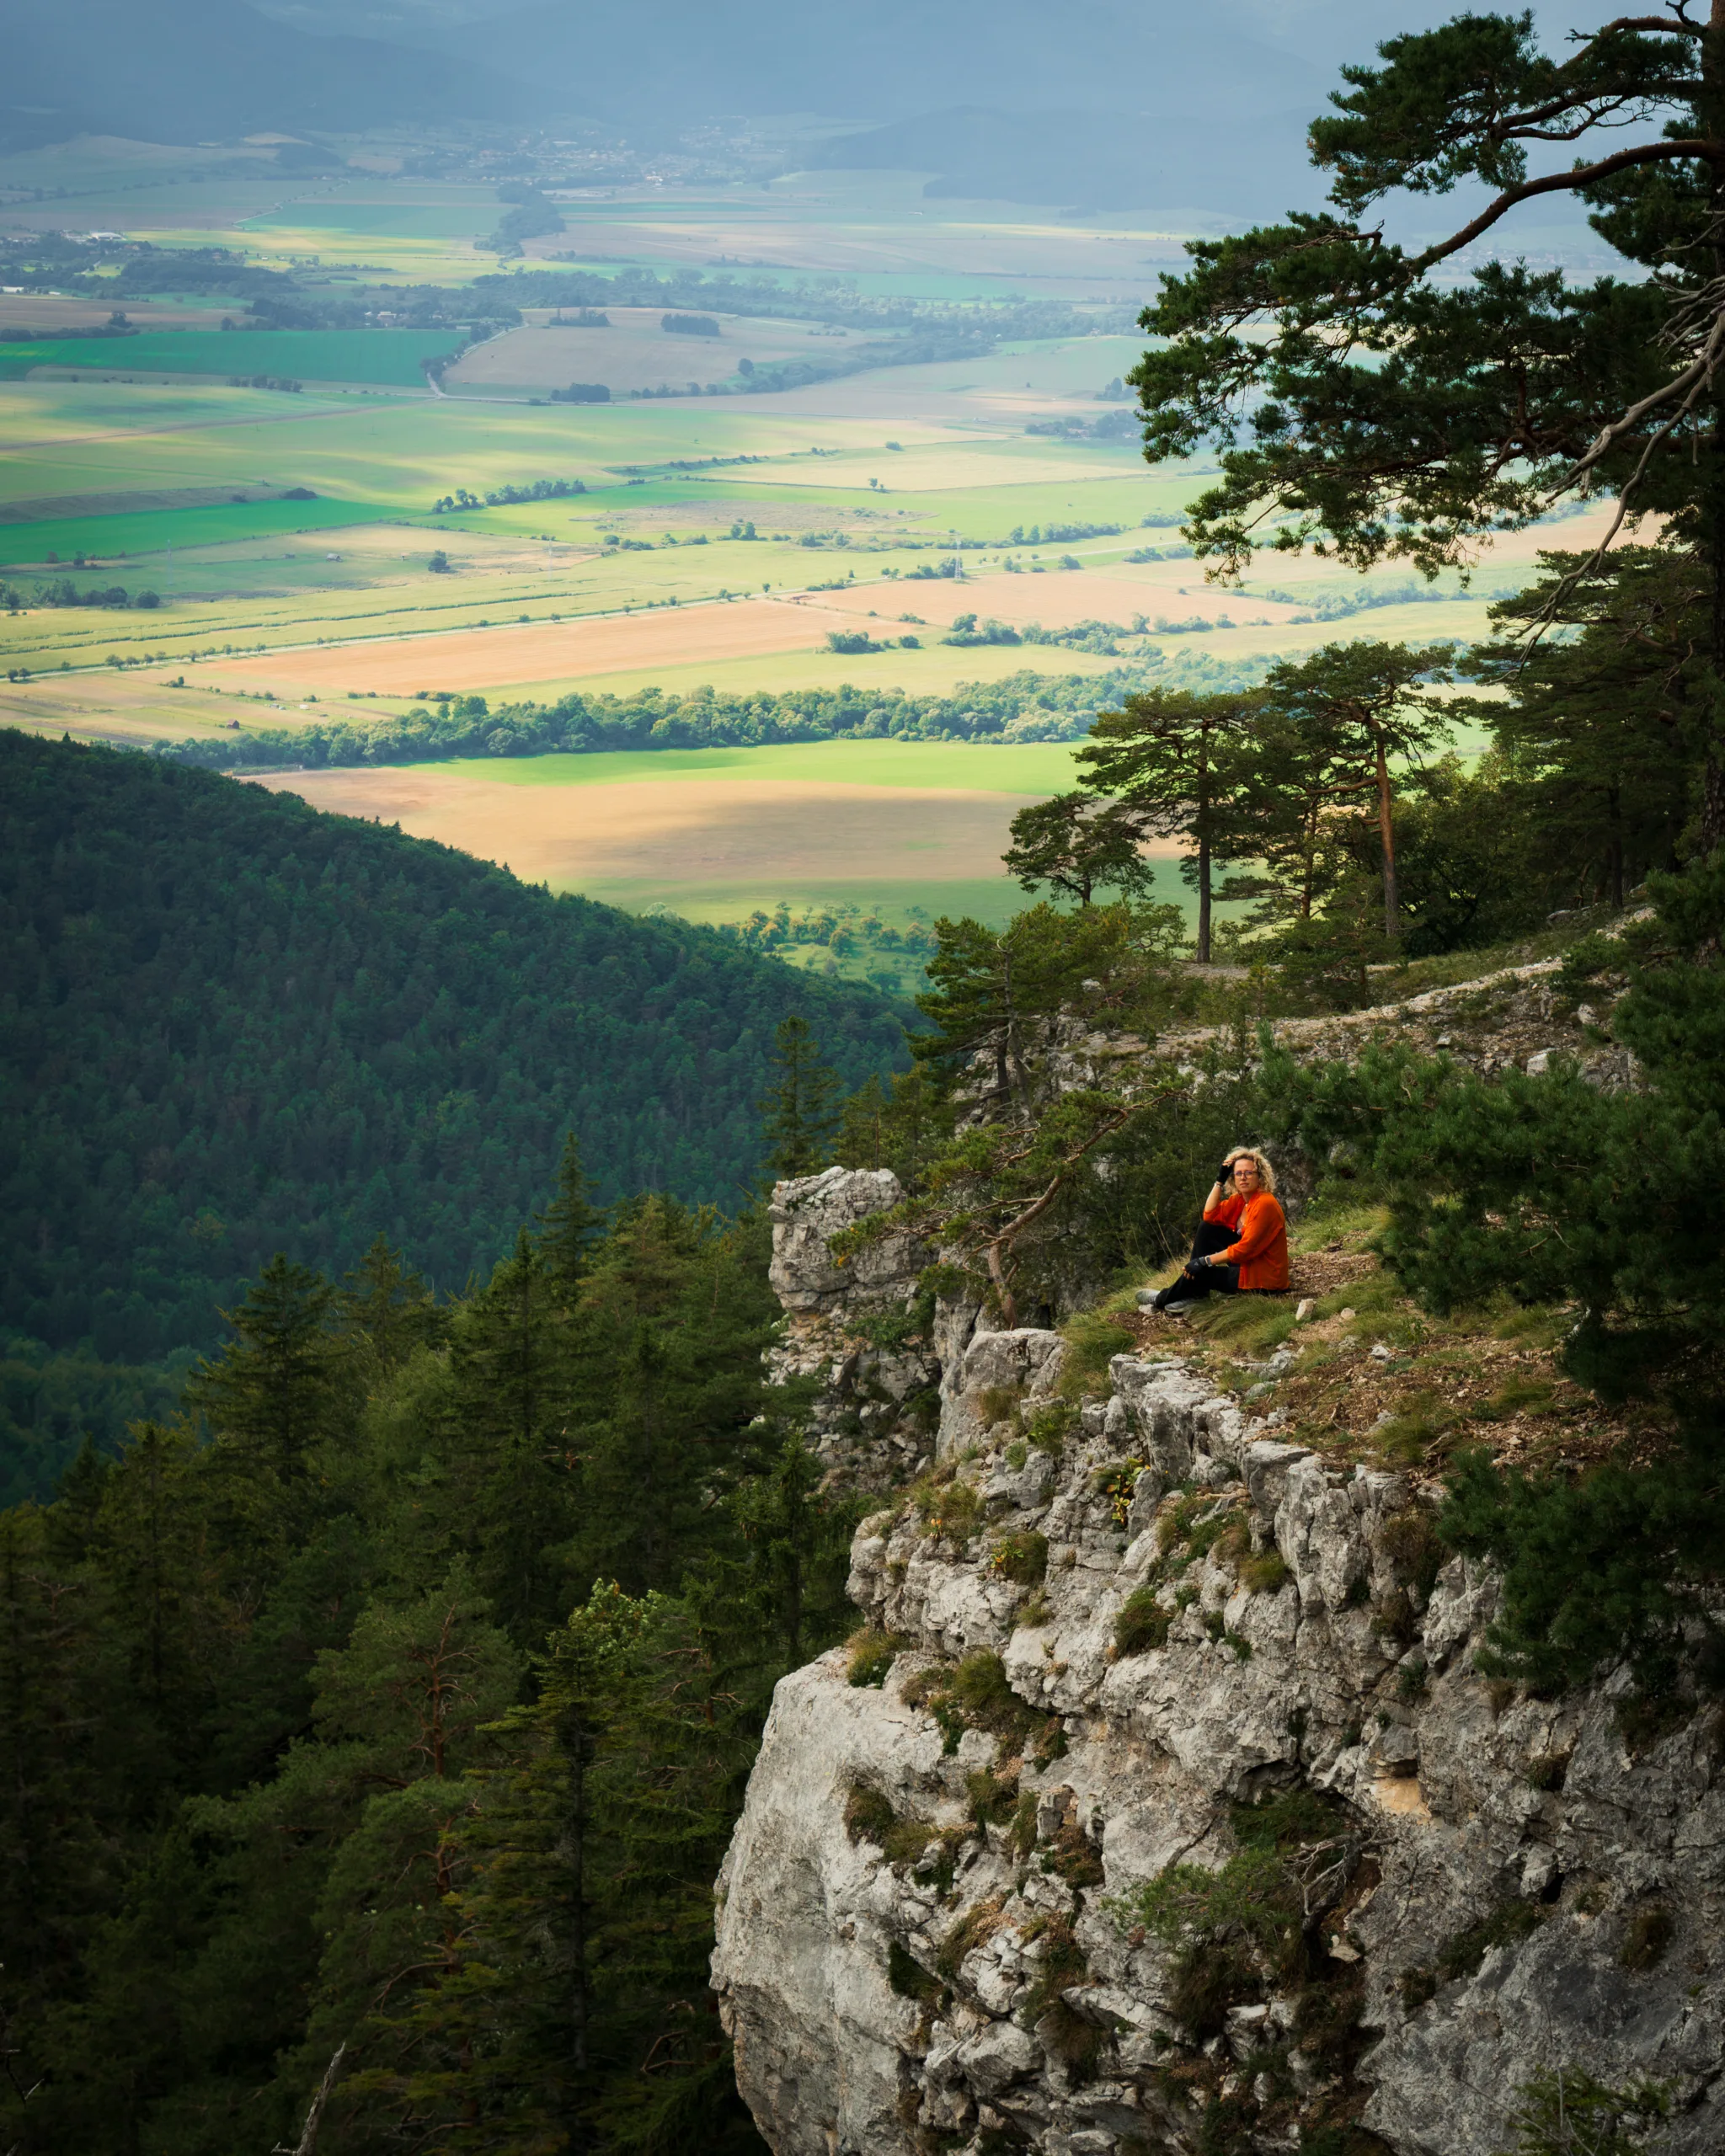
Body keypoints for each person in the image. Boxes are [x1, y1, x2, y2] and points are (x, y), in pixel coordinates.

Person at [1148, 1148, 1290, 1313]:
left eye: (1249, 1173)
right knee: (1207, 1228)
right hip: (1248, 1264)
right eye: (1238, 1174)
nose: (1243, 1177)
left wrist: (1203, 1261)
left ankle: (1161, 1299)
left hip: (1263, 1279)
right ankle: (1196, 1295)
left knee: (1202, 1273)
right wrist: (1219, 1181)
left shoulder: (1264, 1203)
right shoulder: (1240, 1201)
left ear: (1260, 1176)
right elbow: (1210, 1215)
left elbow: (1245, 1249)